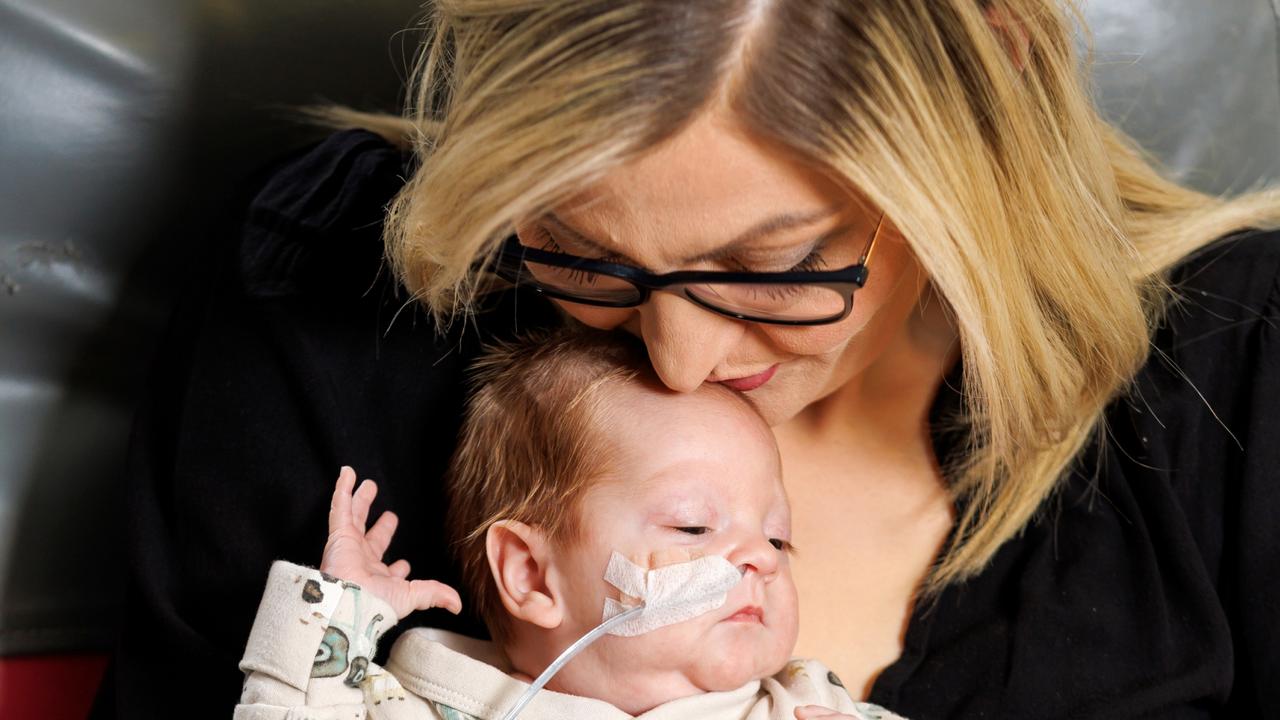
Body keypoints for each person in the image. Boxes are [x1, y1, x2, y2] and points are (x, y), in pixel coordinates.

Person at [93, 1, 1280, 718]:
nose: (677, 359)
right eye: (578, 255)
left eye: (772, 267)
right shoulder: (322, 297)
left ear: (982, 122)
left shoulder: (1238, 372)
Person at [235, 328, 903, 719]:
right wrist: (339, 616)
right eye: (695, 528)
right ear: (530, 573)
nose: (759, 556)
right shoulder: (436, 705)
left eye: (778, 537)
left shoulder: (804, 706)